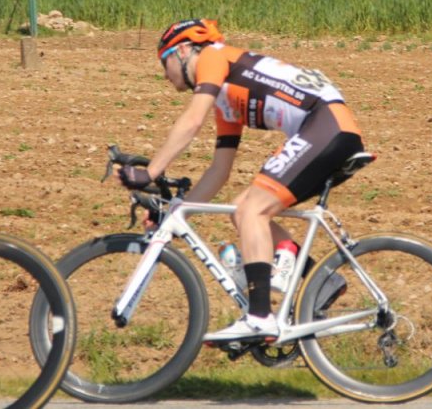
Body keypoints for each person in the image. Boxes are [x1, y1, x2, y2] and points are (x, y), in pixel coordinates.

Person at [121, 18, 363, 340]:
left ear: (183, 51)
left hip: (326, 126)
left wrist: (150, 171)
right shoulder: (226, 98)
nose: (165, 76)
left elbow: (192, 121)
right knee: (242, 209)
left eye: (164, 63)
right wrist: (176, 214)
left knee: (253, 211)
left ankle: (260, 317)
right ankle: (322, 281)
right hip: (328, 129)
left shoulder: (212, 56)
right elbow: (219, 172)